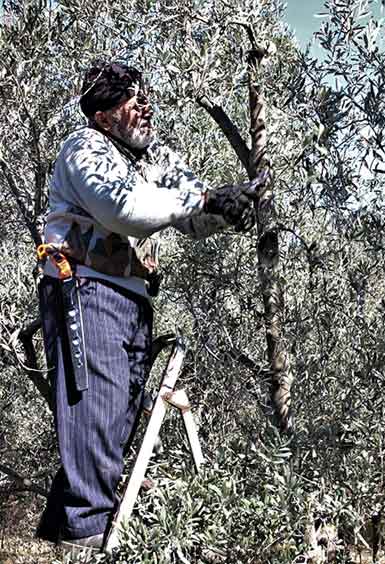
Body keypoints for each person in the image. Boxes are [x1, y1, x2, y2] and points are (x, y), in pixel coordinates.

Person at [36, 61, 267, 555]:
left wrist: (228, 207)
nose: (143, 104)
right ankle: (84, 544)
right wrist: (207, 197)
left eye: (144, 94)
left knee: (112, 431)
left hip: (131, 302)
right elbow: (130, 211)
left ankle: (72, 540)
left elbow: (192, 220)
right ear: (101, 114)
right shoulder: (84, 148)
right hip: (85, 293)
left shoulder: (153, 157)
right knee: (95, 426)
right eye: (128, 97)